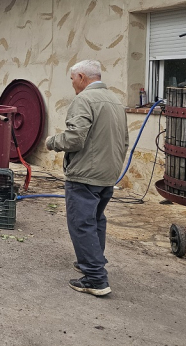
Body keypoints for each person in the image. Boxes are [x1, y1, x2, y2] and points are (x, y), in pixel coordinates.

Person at [45, 60, 128, 297]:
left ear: (81, 77)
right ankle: (89, 263)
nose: (72, 84)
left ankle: (95, 278)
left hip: (85, 175)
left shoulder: (84, 100)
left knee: (82, 223)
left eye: (72, 79)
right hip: (108, 174)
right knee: (95, 220)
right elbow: (124, 141)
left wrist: (51, 142)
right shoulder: (115, 100)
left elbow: (74, 139)